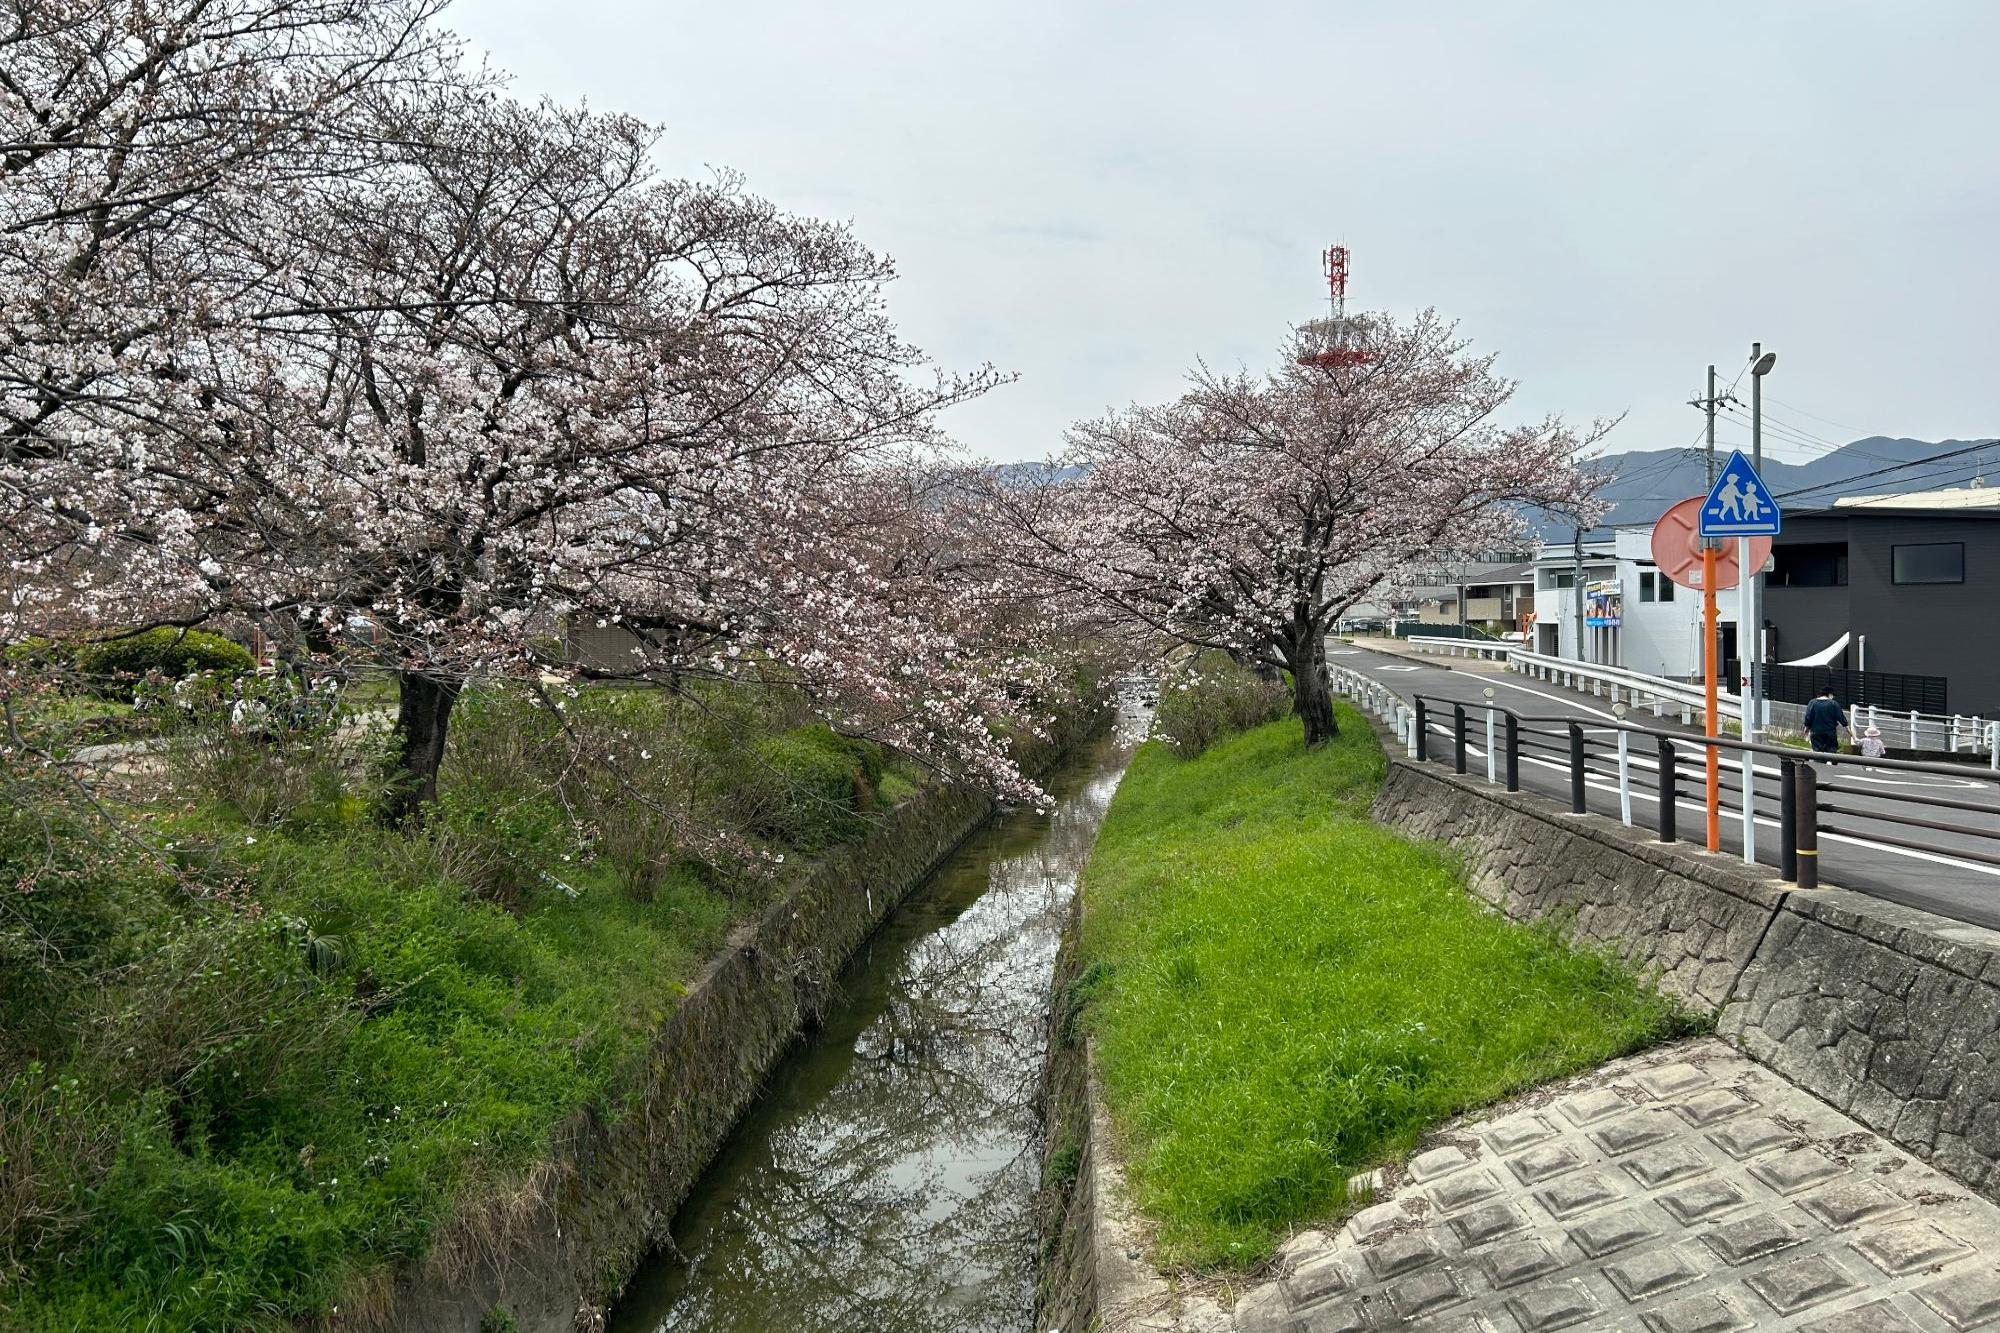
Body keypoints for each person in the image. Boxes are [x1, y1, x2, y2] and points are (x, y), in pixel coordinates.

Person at [1802, 686, 1848, 754]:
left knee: (1817, 752)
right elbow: (1841, 717)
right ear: (1829, 694)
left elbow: (1808, 717)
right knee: (1831, 751)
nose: (1833, 697)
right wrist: (1846, 726)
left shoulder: (1812, 703)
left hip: (1816, 732)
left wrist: (1806, 728)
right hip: (1830, 732)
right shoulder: (1833, 703)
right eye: (1833, 695)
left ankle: (1819, 763)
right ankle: (1830, 762)